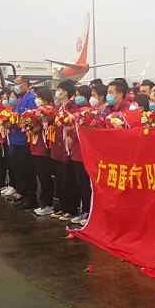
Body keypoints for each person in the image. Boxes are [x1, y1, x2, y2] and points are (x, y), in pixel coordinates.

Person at [7, 76, 39, 209]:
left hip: (24, 140)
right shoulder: (20, 98)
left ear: (25, 84)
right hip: (15, 139)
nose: (15, 86)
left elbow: (29, 120)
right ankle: (23, 194)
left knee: (27, 170)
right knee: (18, 170)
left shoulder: (31, 99)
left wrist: (13, 124)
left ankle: (31, 197)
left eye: (17, 83)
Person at [51, 80, 79, 221]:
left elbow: (75, 126)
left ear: (66, 92)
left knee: (68, 179)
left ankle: (71, 209)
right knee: (60, 179)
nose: (58, 92)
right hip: (58, 146)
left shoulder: (73, 108)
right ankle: (62, 207)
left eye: (59, 90)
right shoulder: (60, 107)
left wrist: (70, 136)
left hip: (67, 148)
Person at [32, 87, 57, 216]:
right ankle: (43, 202)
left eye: (39, 97)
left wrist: (43, 122)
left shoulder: (50, 112)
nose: (37, 100)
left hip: (44, 148)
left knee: (45, 176)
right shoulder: (37, 111)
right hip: (36, 147)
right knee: (41, 176)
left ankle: (47, 203)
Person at [70, 85, 93, 224]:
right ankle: (84, 210)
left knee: (86, 184)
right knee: (80, 183)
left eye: (79, 95)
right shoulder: (79, 112)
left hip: (85, 152)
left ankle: (88, 212)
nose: (76, 97)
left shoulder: (90, 113)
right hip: (76, 151)